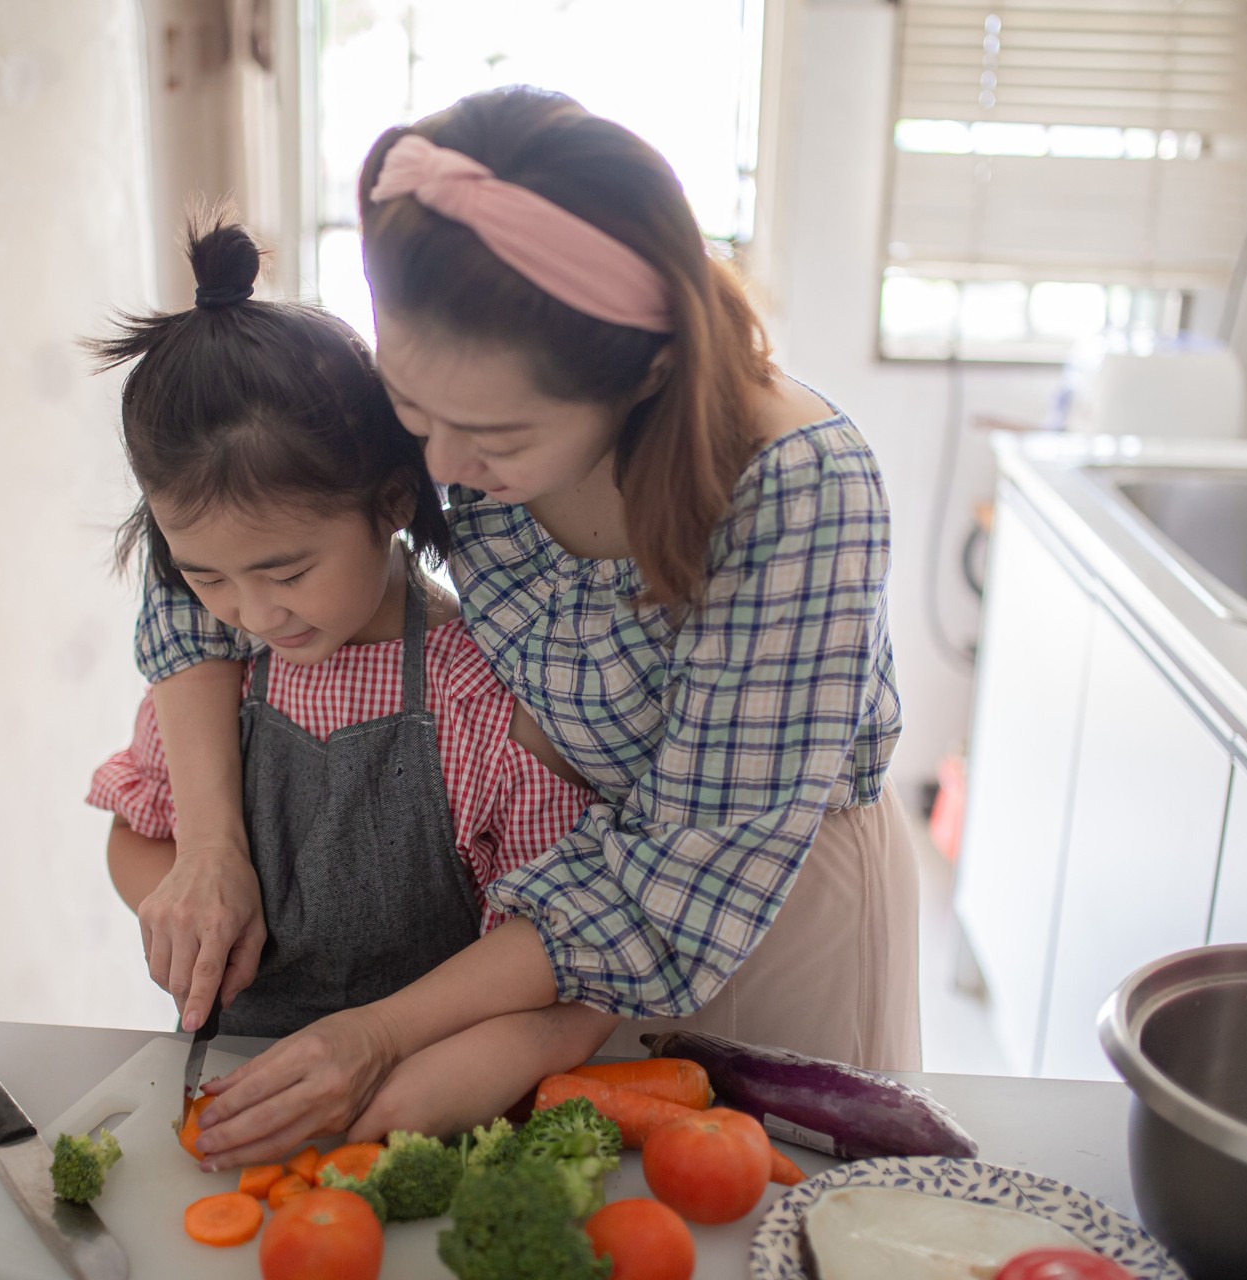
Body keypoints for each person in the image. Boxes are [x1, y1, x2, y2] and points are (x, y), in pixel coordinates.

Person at [144, 87, 922, 1169]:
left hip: (758, 893)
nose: (443, 472)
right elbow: (201, 565)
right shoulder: (456, 374)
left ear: (641, 375)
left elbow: (674, 889)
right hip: (540, 908)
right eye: (414, 412)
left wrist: (380, 1029)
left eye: (495, 438)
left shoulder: (798, 492)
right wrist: (214, 850)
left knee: (771, 1209)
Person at [86, 216, 610, 1113]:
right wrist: (178, 903)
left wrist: (390, 1102)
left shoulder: (481, 693)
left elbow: (552, 960)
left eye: (287, 571)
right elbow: (140, 829)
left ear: (393, 500)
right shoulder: (221, 679)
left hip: (437, 1100)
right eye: (203, 575)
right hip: (245, 1092)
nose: (252, 613)